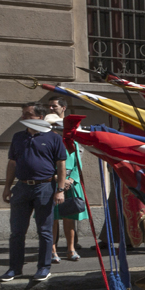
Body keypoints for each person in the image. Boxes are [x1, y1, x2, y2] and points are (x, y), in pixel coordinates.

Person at [0, 110, 68, 283]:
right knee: (17, 232)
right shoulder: (18, 137)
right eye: (23, 114)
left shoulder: (53, 138)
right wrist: (7, 187)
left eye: (28, 114)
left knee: (44, 231)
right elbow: (12, 163)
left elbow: (61, 165)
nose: (23, 117)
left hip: (45, 187)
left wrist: (60, 189)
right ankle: (15, 268)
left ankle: (44, 268)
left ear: (39, 117)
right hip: (22, 187)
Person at [47, 113, 88, 264]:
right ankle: (52, 251)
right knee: (52, 219)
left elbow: (78, 164)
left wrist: (71, 179)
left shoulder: (74, 144)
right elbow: (45, 165)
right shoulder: (49, 144)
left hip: (70, 184)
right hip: (53, 183)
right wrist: (58, 179)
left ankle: (71, 249)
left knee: (69, 218)